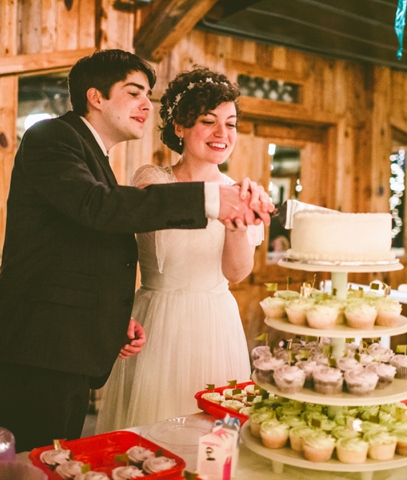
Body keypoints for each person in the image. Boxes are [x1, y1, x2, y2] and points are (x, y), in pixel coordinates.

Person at [0, 51, 273, 452]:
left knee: (59, 459)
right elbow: (100, 208)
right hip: (37, 348)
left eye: (149, 95)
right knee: (40, 463)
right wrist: (213, 201)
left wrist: (111, 317)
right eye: (135, 93)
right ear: (96, 96)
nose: (147, 104)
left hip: (70, 346)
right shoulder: (51, 137)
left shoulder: (96, 158)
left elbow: (90, 248)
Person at [96, 67, 262, 433]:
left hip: (217, 321)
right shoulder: (152, 181)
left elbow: (236, 273)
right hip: (160, 319)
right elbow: (122, 248)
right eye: (208, 121)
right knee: (156, 430)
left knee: (215, 431)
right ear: (179, 127)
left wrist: (236, 221)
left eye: (231, 124)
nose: (223, 134)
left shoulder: (239, 191)